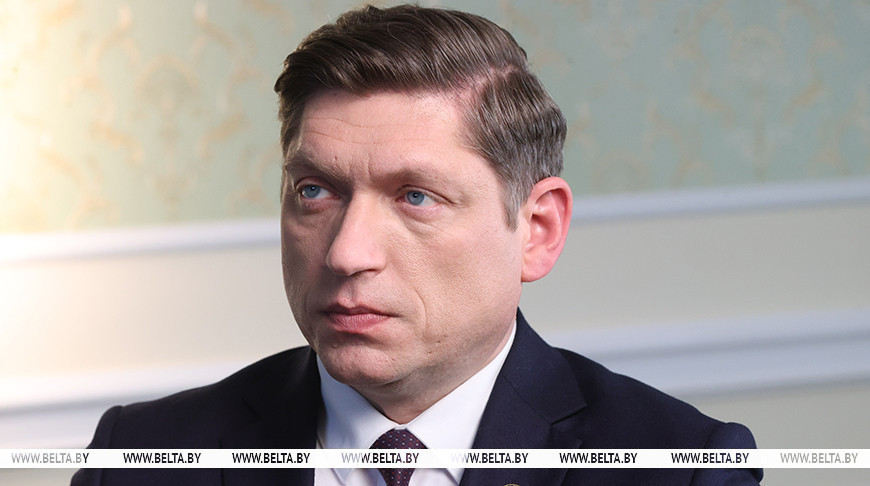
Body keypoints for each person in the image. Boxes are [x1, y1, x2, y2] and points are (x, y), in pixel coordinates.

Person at [71, 4, 762, 486]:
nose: (347, 254)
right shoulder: (140, 457)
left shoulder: (682, 468)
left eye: (416, 197)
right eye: (316, 191)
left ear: (538, 231)